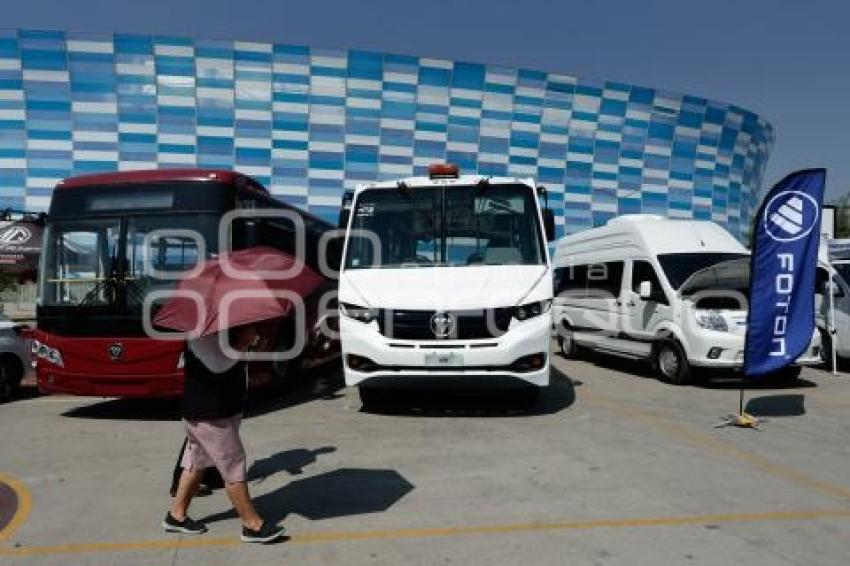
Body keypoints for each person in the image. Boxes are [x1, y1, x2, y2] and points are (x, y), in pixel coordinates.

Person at [162, 323, 285, 543]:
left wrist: (251, 344)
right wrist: (242, 343)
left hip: (220, 409)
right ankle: (252, 525)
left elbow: (234, 362)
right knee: (233, 464)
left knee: (196, 463)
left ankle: (176, 515)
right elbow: (217, 365)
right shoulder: (200, 331)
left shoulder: (225, 325)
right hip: (209, 413)